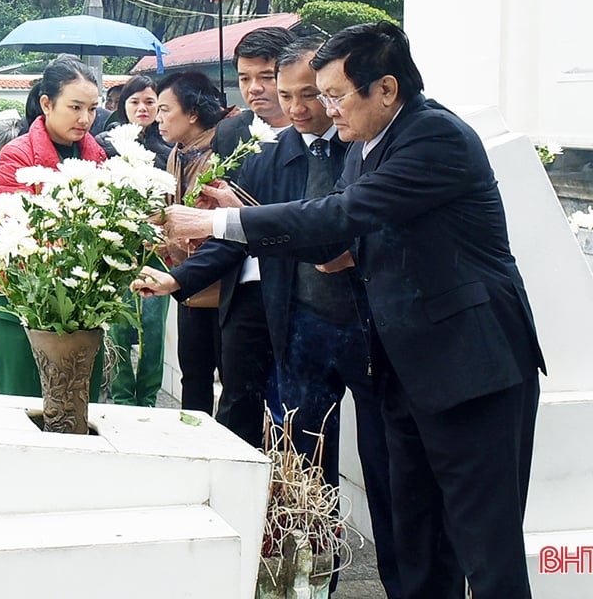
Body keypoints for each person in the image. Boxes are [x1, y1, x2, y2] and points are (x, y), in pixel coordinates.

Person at [143, 22, 546, 599]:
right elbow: (331, 241)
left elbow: (339, 216)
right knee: (414, 537)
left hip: (470, 368)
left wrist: (216, 223)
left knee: (485, 546)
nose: (326, 110)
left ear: (385, 88)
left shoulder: (434, 138)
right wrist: (242, 209)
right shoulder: (366, 147)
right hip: (403, 370)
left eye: (334, 95)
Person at [139, 37, 402, 597]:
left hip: (374, 332)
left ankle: (401, 577)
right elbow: (237, 239)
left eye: (314, 94)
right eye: (290, 95)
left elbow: (340, 226)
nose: (304, 107)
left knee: (388, 467)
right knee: (303, 468)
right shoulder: (270, 154)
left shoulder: (369, 148)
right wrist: (180, 278)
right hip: (300, 328)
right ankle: (310, 582)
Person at [0, 56, 108, 398]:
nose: (85, 118)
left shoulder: (96, 156)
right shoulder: (17, 154)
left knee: (77, 408)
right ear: (46, 103)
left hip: (83, 302)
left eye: (92, 109)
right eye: (75, 107)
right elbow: (11, 226)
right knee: (24, 408)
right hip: (23, 298)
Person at [154, 71, 229, 418]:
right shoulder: (177, 153)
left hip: (223, 282)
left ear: (193, 113)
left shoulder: (223, 152)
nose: (158, 118)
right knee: (194, 377)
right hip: (187, 282)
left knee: (231, 381)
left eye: (166, 110)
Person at [94, 75, 171, 407]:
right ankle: (122, 393)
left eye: (150, 102)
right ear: (121, 105)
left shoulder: (169, 149)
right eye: (134, 101)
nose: (142, 108)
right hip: (117, 247)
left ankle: (149, 396)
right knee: (120, 324)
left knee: (153, 327)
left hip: (157, 249)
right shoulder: (104, 145)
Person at [213, 26, 297, 157]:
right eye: (245, 79)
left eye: (266, 77)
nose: (254, 88)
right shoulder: (227, 133)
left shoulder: (320, 129)